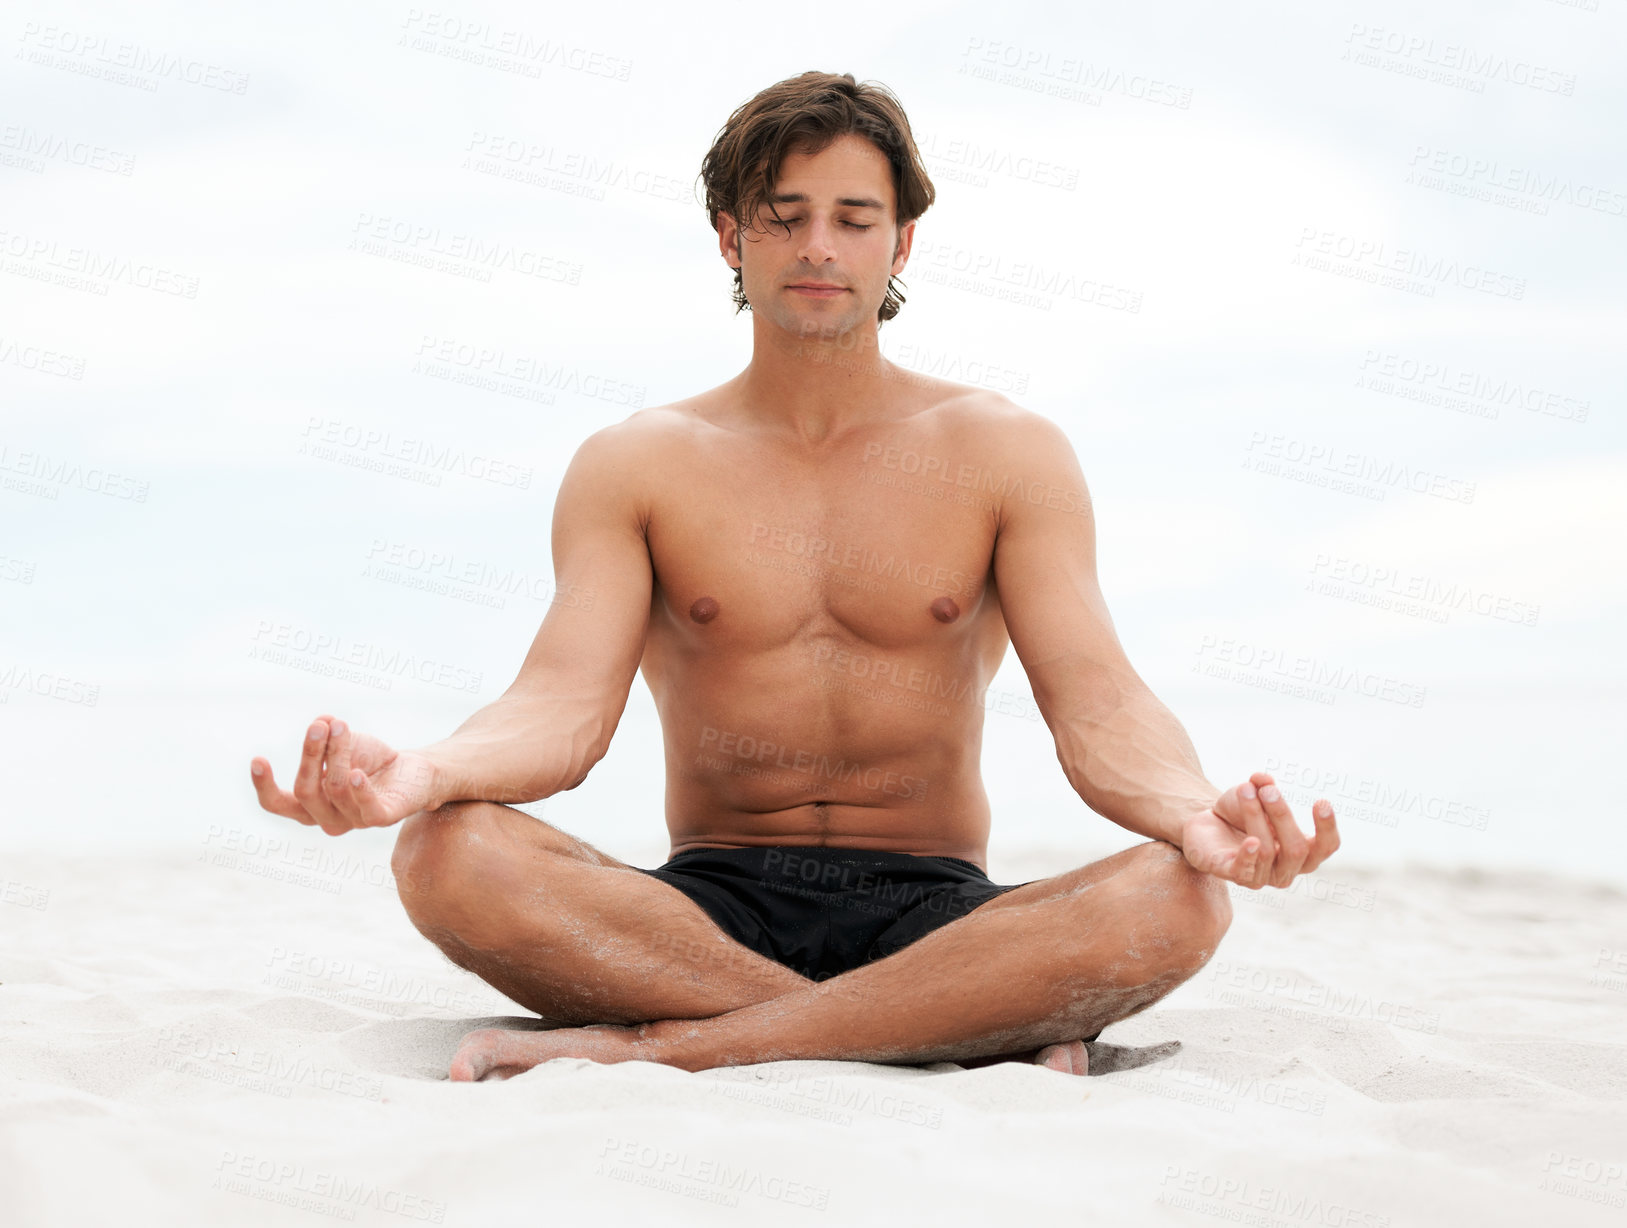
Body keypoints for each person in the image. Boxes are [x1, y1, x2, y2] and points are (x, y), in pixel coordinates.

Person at [250, 71, 1339, 1082]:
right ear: (730, 234)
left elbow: (1099, 702)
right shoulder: (638, 463)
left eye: (854, 219)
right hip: (702, 913)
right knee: (444, 854)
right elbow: (561, 708)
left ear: (902, 242)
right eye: (783, 215)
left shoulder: (1007, 453)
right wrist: (421, 774)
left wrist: (1198, 813)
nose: (819, 245)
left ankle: (668, 1053)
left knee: (1179, 898)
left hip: (939, 906)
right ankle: (928, 1033)